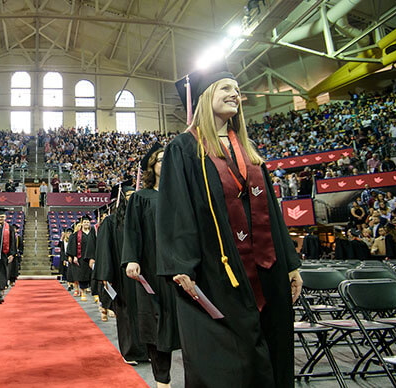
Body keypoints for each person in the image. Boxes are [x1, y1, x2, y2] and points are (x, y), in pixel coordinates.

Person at [156, 65, 302, 387]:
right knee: (229, 363)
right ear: (206, 98)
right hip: (219, 272)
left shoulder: (249, 151)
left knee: (274, 350)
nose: (235, 94)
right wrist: (181, 265)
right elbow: (177, 210)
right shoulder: (184, 148)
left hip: (268, 269)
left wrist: (290, 265)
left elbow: (273, 214)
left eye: (237, 89)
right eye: (225, 88)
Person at [123, 143, 180, 388]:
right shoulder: (141, 198)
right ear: (151, 167)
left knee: (188, 324)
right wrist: (132, 259)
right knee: (158, 325)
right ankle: (162, 381)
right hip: (153, 269)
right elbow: (133, 231)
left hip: (183, 269)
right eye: (159, 160)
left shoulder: (182, 196)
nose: (164, 163)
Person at [95, 181, 148, 364]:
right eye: (128, 196)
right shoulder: (111, 222)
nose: (133, 199)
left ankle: (148, 350)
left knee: (147, 312)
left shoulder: (144, 219)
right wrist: (106, 276)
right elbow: (104, 250)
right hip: (123, 276)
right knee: (127, 314)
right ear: (121, 200)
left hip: (145, 275)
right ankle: (130, 352)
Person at [0, 208, 18, 304]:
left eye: (2, 216)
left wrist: (12, 254)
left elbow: (13, 242)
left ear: (5, 217)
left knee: (1, 274)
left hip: (4, 255)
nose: (1, 218)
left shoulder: (9, 228)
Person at [67, 215, 97, 301]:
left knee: (93, 276)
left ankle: (95, 294)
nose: (86, 223)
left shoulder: (93, 234)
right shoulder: (76, 235)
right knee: (82, 276)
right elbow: (72, 246)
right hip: (81, 258)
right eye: (84, 222)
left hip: (91, 258)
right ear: (81, 223)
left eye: (88, 222)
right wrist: (74, 256)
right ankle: (83, 293)